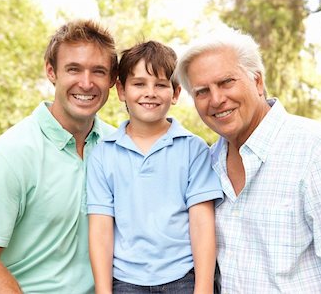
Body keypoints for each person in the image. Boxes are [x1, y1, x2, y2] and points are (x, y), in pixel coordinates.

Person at [175, 27, 321, 293]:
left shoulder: (319, 151)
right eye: (202, 91)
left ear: (258, 82)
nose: (216, 99)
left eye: (227, 82)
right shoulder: (207, 162)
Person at [0, 19, 118, 293]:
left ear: (113, 80)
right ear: (51, 71)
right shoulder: (14, 151)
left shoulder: (117, 147)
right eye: (73, 69)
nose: (86, 82)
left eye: (99, 71)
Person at [86, 40, 223, 293]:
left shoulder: (193, 148)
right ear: (121, 90)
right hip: (126, 282)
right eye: (139, 84)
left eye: (160, 85)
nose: (150, 92)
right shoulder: (103, 154)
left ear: (176, 93)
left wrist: (203, 288)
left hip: (183, 279)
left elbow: (202, 223)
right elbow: (101, 229)